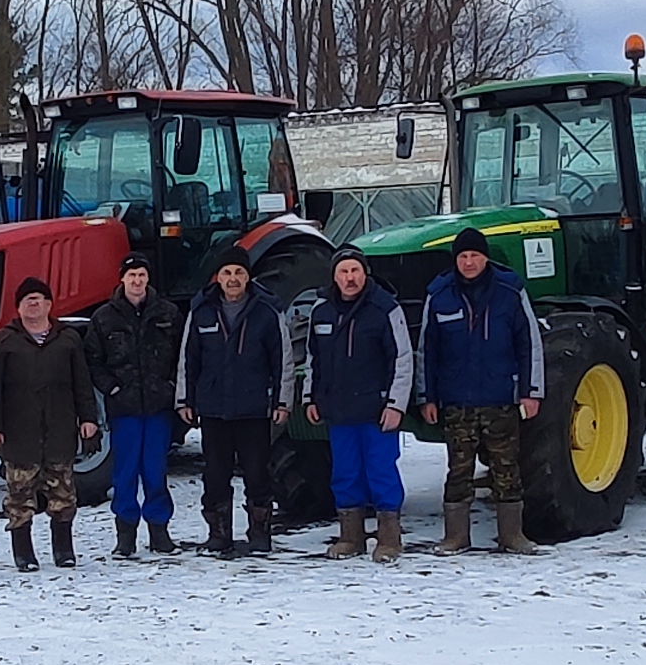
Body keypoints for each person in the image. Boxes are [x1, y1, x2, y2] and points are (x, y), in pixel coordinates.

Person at [417, 227, 545, 554]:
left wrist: (531, 392)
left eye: (474, 255)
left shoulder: (510, 290)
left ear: (485, 257)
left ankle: (512, 535)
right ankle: (456, 536)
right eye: (463, 256)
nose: (469, 262)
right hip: (456, 400)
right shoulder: (440, 294)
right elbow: (427, 350)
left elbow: (528, 343)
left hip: (501, 397)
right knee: (458, 470)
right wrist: (427, 396)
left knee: (506, 468)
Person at [175, 244, 290, 557]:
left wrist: (282, 401)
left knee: (257, 473)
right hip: (214, 408)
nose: (233, 278)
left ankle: (259, 532)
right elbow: (189, 357)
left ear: (248, 276)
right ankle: (219, 532)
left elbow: (282, 358)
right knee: (215, 473)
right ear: (218, 277)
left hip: (254, 408)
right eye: (227, 272)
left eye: (239, 272)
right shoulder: (201, 311)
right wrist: (185, 400)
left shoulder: (267, 311)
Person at [302, 244, 414, 561]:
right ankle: (351, 537)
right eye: (344, 272)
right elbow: (314, 359)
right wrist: (311, 397)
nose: (350, 278)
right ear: (334, 276)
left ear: (365, 274)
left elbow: (402, 359)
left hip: (377, 411)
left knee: (381, 472)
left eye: (355, 271)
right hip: (339, 411)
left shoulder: (385, 309)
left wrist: (396, 404)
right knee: (345, 474)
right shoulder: (321, 311)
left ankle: (389, 539)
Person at [0, 275, 97, 571]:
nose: (34, 304)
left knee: (63, 494)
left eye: (39, 298)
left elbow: (81, 383)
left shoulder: (68, 339)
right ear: (18, 307)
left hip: (59, 429)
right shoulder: (4, 341)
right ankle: (24, 553)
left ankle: (64, 551)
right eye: (27, 300)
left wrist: (88, 418)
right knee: (20, 496)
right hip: (19, 433)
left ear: (49, 304)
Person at [87, 251, 184, 558]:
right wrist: (113, 388)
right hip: (125, 408)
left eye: (142, 275)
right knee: (125, 472)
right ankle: (125, 533)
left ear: (148, 278)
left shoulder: (167, 313)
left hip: (158, 407)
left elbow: (183, 354)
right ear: (122, 279)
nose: (137, 281)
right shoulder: (104, 317)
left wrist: (170, 386)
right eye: (132, 276)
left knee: (155, 470)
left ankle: (159, 530)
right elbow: (92, 360)